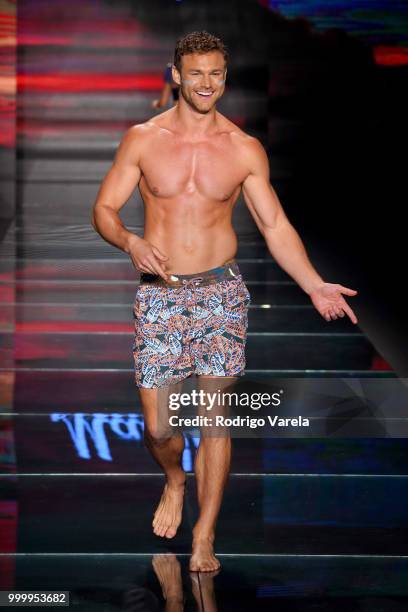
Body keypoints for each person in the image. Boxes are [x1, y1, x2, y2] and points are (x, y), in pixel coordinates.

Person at [91, 30, 358, 573]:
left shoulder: (242, 149)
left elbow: (274, 223)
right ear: (176, 75)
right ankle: (174, 478)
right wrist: (132, 241)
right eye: (196, 73)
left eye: (216, 73)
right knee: (159, 427)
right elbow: (104, 209)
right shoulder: (143, 139)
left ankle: (205, 534)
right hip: (161, 294)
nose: (207, 83)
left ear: (224, 77)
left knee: (215, 416)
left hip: (221, 293)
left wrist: (313, 284)